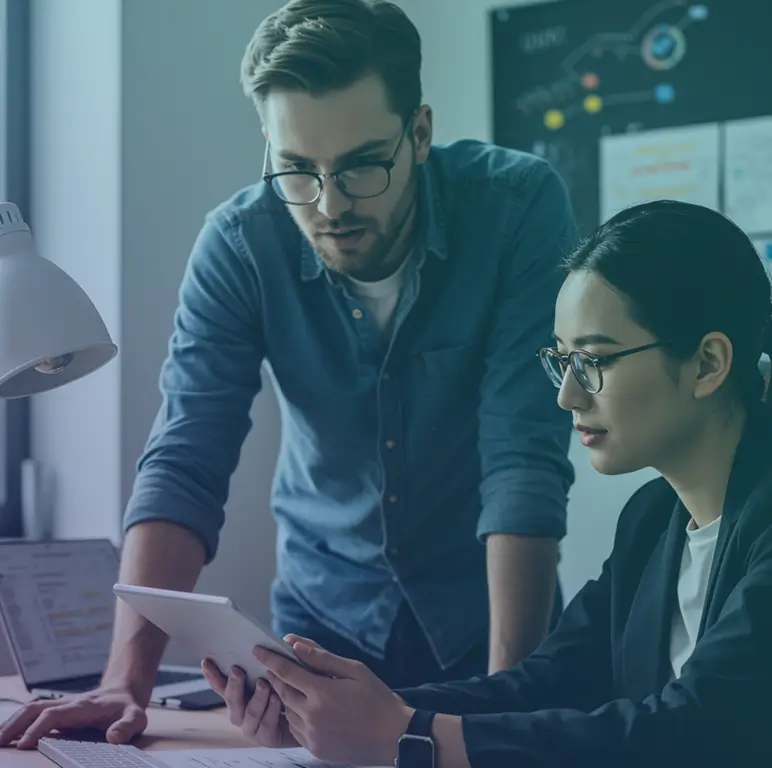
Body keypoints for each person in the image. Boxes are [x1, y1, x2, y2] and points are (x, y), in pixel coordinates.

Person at [0, 0, 575, 750]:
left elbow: (522, 460)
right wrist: (124, 684)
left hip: (492, 625)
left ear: (421, 133)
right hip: (317, 638)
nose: (331, 206)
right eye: (298, 169)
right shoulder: (240, 244)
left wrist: (507, 707)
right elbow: (186, 459)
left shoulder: (516, 206)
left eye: (364, 165)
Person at [202, 201, 772, 767]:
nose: (567, 397)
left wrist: (406, 735)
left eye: (593, 360)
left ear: (707, 365)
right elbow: (547, 683)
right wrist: (335, 713)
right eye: (561, 361)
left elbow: (697, 727)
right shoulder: (652, 519)